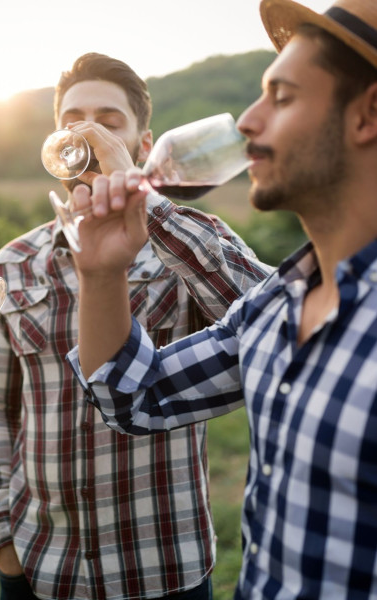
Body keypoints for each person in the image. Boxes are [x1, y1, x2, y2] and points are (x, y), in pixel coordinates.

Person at [67, 1, 377, 598]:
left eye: (281, 98)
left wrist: (147, 199)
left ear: (368, 115)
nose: (249, 122)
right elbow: (135, 397)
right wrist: (103, 275)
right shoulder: (273, 305)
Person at [0, 52, 272, 600]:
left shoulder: (186, 245)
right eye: (71, 120)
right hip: (41, 567)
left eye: (108, 122)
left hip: (164, 567)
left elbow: (274, 317)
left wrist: (143, 199)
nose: (86, 132)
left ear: (143, 144)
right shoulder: (12, 264)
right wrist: (4, 540)